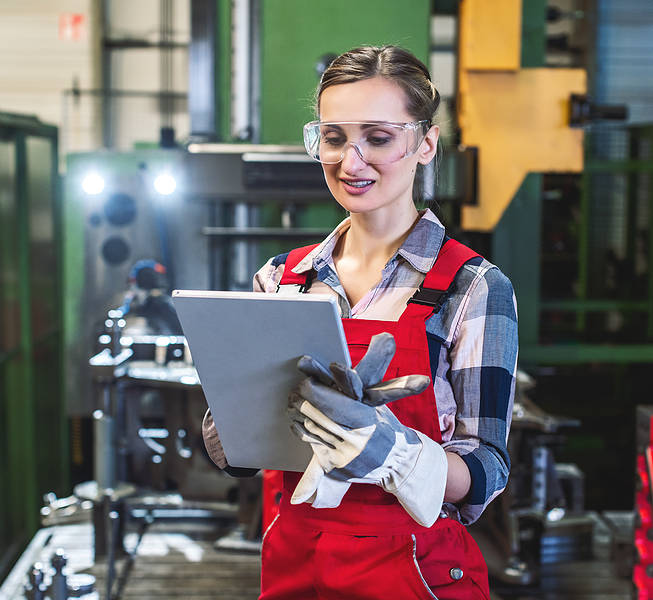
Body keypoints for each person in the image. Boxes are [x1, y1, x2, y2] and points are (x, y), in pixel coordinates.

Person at [203, 45, 518, 599]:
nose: (351, 163)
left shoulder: (471, 287)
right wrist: (232, 426)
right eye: (333, 138)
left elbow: (487, 469)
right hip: (296, 567)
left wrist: (397, 454)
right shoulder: (282, 279)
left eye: (377, 138)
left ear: (425, 143)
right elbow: (247, 452)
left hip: (415, 571)